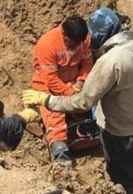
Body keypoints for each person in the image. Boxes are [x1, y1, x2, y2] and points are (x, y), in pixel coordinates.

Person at [23, 8, 133, 194]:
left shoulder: (108, 62)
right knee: (57, 125)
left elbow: (84, 101)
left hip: (120, 132)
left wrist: (52, 99)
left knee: (124, 178)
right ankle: (62, 160)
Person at [31, 15, 94, 164]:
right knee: (54, 115)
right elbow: (51, 80)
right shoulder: (47, 45)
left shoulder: (83, 41)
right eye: (72, 44)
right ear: (64, 34)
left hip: (74, 83)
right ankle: (61, 156)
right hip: (47, 85)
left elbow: (87, 63)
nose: (76, 48)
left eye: (78, 44)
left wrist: (81, 82)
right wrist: (70, 96)